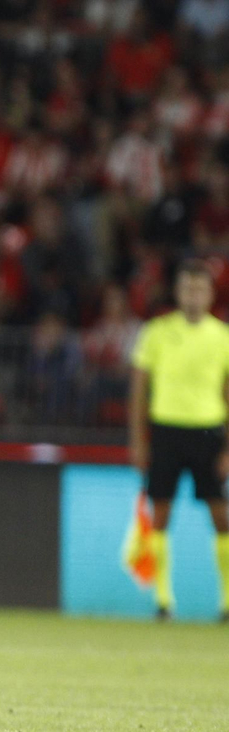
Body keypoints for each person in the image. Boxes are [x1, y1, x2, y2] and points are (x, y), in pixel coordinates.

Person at [129, 260, 229, 621]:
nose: (193, 295)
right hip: (167, 431)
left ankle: (227, 602)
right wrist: (138, 441)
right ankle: (163, 601)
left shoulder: (223, 337)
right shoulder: (155, 332)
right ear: (177, 292)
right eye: (187, 288)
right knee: (161, 514)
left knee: (221, 516)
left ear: (210, 294)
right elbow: (139, 390)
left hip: (209, 431)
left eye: (200, 289)